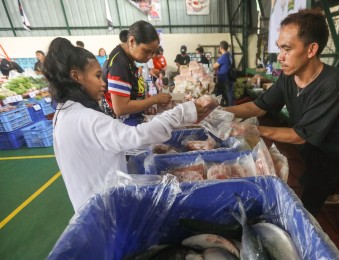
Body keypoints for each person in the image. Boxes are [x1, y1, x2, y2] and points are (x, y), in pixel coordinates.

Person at [43, 37, 210, 212]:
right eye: (98, 76)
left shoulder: (64, 113)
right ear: (76, 76)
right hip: (105, 208)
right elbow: (136, 137)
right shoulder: (87, 118)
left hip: (89, 204)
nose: (103, 83)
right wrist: (181, 113)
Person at [224, 9, 339, 216]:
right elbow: (258, 107)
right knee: (306, 176)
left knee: (309, 202)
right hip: (309, 144)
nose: (280, 57)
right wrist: (219, 110)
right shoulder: (288, 77)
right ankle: (326, 192)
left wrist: (249, 129)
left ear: (311, 50)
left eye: (287, 49)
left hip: (329, 152)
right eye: (279, 48)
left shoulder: (333, 84)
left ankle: (316, 208)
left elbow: (300, 135)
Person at [102, 21, 171, 126]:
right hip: (122, 125)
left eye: (152, 52)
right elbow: (120, 108)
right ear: (132, 41)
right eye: (146, 51)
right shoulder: (119, 64)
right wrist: (154, 99)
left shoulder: (127, 58)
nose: (149, 57)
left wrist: (145, 103)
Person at [212, 40, 234, 106]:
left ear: (221, 48)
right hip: (229, 78)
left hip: (224, 79)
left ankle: (227, 107)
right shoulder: (229, 55)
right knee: (228, 94)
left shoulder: (223, 56)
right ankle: (229, 106)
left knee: (221, 93)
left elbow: (214, 66)